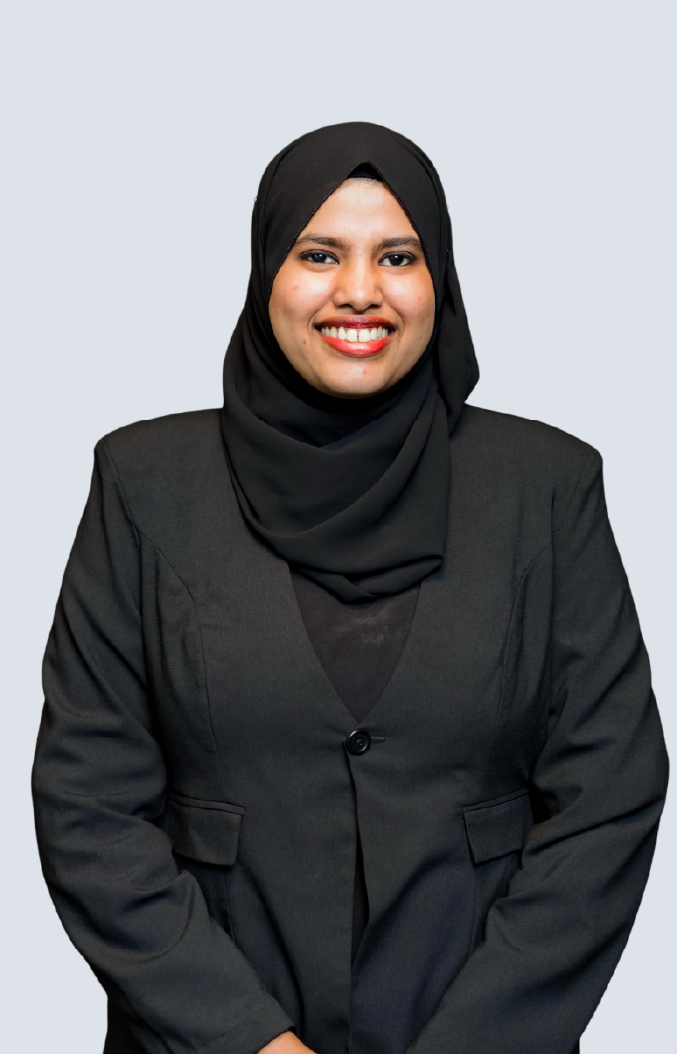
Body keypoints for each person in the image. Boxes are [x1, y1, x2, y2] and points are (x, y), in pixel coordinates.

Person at [32, 122, 668, 1054]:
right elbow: (87, 805)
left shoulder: (547, 486)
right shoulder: (145, 484)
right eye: (319, 254)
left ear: (439, 278)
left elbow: (608, 798)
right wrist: (248, 1043)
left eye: (397, 257)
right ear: (266, 273)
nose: (359, 290)